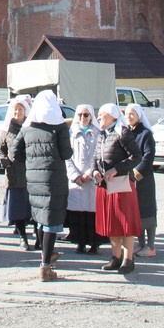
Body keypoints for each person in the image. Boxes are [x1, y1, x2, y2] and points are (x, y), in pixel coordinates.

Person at [12, 90, 73, 281]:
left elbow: (15, 152)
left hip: (33, 179)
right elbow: (67, 153)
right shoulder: (59, 127)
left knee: (40, 217)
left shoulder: (27, 127)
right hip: (54, 180)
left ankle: (47, 255)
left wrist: (30, 162)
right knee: (51, 222)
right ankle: (45, 266)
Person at [92, 103, 143, 274]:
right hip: (105, 185)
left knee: (125, 223)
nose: (98, 118)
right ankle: (115, 257)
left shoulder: (123, 132)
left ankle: (128, 259)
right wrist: (95, 172)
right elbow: (95, 157)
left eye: (102, 115)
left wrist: (116, 169)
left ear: (113, 117)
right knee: (112, 223)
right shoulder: (101, 134)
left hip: (121, 185)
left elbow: (136, 156)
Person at [66, 104, 108, 254]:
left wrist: (89, 173)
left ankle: (94, 243)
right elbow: (66, 157)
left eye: (86, 115)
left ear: (91, 116)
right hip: (76, 180)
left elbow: (99, 155)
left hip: (92, 179)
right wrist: (75, 175)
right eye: (79, 115)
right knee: (78, 214)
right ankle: (80, 242)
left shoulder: (98, 133)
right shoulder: (71, 133)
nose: (82, 118)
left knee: (92, 213)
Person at [0, 95, 33, 250]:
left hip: (31, 173)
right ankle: (22, 237)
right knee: (18, 208)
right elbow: (1, 148)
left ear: (26, 111)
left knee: (32, 208)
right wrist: (3, 159)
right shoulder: (7, 130)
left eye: (20, 109)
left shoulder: (32, 128)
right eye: (15, 109)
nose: (17, 112)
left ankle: (38, 238)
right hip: (14, 174)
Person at [124, 103, 157, 258]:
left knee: (147, 211)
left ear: (139, 115)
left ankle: (150, 246)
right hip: (130, 177)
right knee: (135, 212)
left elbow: (148, 156)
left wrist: (137, 171)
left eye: (133, 114)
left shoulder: (145, 134)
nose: (129, 117)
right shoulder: (127, 133)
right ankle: (141, 244)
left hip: (144, 178)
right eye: (127, 114)